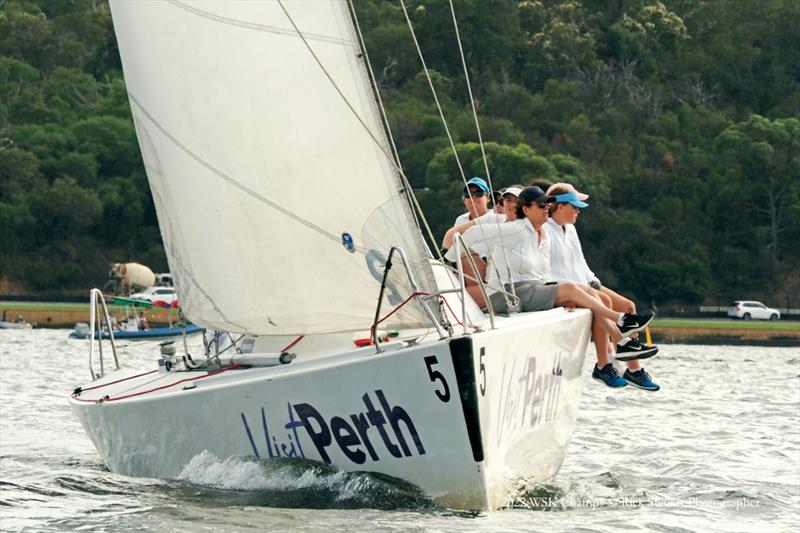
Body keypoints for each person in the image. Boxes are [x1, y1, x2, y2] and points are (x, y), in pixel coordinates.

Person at [444, 186, 655, 355]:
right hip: (507, 293)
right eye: (542, 204)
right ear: (526, 209)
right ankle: (621, 320)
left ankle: (623, 340)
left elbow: (543, 275)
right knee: (572, 288)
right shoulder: (514, 229)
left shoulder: (544, 235)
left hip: (531, 289)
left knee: (589, 293)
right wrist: (450, 257)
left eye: (548, 204)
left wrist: (558, 295)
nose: (547, 208)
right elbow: (471, 235)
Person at [545, 182, 660, 391]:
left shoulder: (570, 229)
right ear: (559, 206)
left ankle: (634, 369)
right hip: (569, 285)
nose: (578, 210)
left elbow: (579, 263)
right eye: (574, 205)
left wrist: (593, 280)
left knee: (628, 305)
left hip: (584, 281)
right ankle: (603, 364)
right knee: (603, 301)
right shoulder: (545, 229)